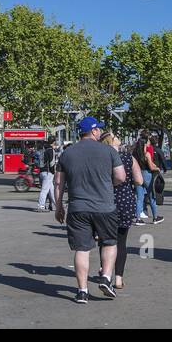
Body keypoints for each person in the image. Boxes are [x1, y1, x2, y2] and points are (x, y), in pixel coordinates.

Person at [55, 117, 126, 303]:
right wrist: (108, 185)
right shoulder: (108, 151)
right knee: (110, 242)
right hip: (105, 206)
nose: (100, 132)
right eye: (98, 130)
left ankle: (82, 291)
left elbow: (58, 183)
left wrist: (59, 206)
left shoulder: (67, 153)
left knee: (82, 249)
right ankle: (106, 277)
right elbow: (121, 176)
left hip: (77, 208)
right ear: (93, 131)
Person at [99, 133, 143, 291]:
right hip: (125, 201)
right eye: (116, 136)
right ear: (112, 141)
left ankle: (106, 273)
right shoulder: (128, 158)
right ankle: (118, 279)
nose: (118, 137)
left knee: (106, 241)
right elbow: (139, 180)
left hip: (105, 202)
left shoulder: (101, 158)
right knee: (121, 242)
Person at [133, 136, 163, 224]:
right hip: (147, 174)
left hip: (137, 174)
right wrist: (157, 169)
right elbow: (151, 166)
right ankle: (155, 217)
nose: (149, 143)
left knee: (139, 197)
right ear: (145, 144)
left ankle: (138, 218)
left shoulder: (135, 154)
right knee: (151, 196)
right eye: (148, 142)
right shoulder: (147, 154)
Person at [37, 138, 57, 211]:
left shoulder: (44, 149)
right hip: (48, 172)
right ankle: (41, 206)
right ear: (53, 142)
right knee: (45, 190)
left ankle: (56, 205)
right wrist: (53, 172)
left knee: (51, 190)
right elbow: (52, 162)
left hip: (42, 171)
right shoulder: (51, 150)